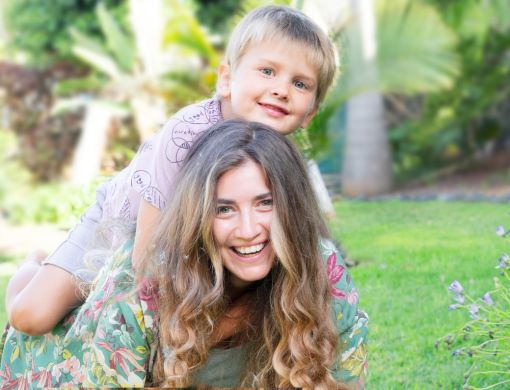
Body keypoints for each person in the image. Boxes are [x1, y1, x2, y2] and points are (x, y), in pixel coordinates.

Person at [6, 5, 339, 336]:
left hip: (187, 246)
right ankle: (35, 265)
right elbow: (144, 259)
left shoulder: (279, 159)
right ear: (226, 80)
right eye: (267, 71)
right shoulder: (186, 135)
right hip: (119, 227)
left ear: (309, 113)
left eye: (300, 84)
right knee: (32, 317)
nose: (281, 89)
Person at [0, 121, 368, 388]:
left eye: (265, 203)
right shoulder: (143, 283)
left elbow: (346, 381)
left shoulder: (322, 270)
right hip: (50, 366)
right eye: (224, 209)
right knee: (27, 311)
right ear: (197, 216)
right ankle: (33, 265)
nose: (248, 229)